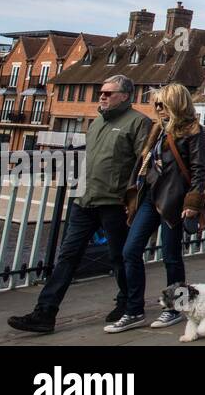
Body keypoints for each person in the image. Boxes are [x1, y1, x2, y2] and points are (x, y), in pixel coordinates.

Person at [8, 75, 150, 334]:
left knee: (119, 257)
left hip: (114, 202)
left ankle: (128, 304)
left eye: (109, 92)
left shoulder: (139, 123)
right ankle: (45, 313)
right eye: (101, 92)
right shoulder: (96, 123)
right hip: (84, 199)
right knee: (67, 255)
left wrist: (133, 199)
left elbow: (144, 164)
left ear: (125, 96)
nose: (102, 96)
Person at [115, 83, 205, 332]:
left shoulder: (193, 131)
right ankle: (134, 310)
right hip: (149, 198)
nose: (157, 109)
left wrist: (192, 203)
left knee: (171, 255)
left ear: (176, 104)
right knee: (130, 251)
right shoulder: (157, 128)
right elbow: (144, 163)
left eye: (162, 104)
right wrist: (133, 196)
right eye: (156, 104)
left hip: (174, 201)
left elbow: (199, 169)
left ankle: (177, 307)